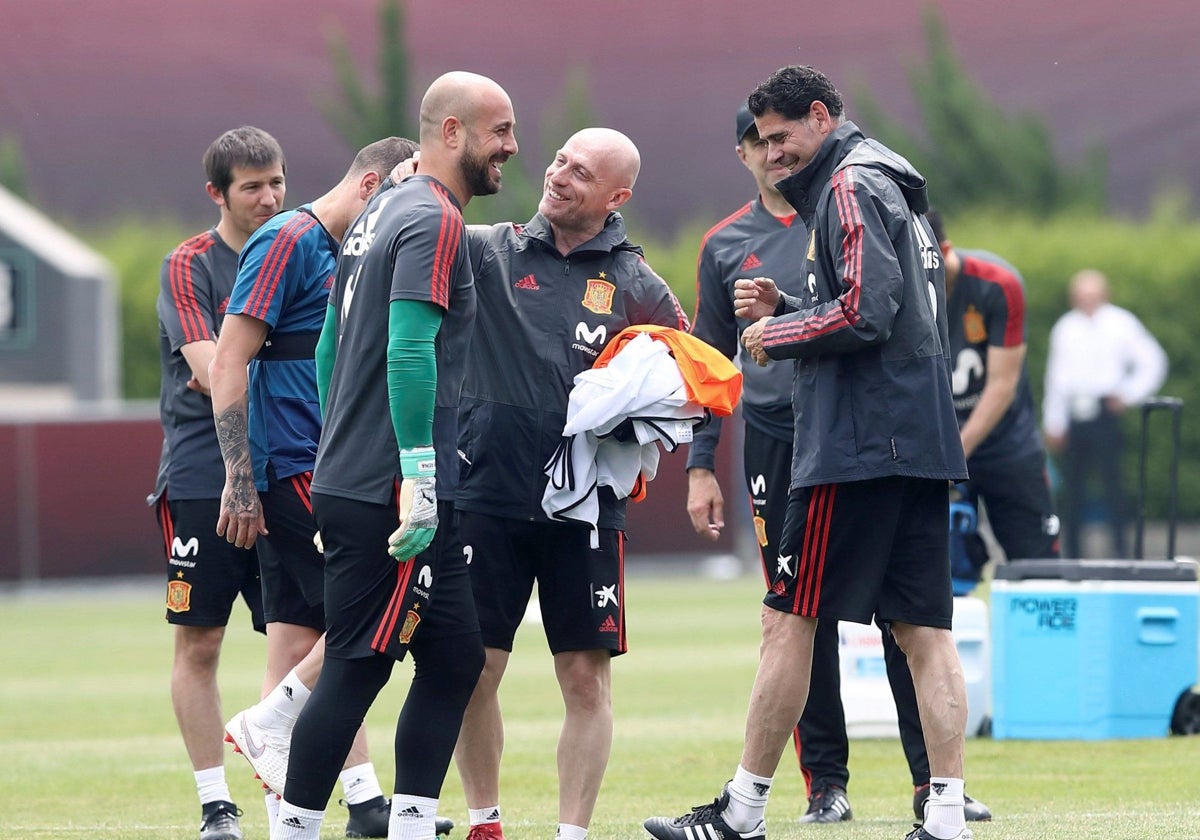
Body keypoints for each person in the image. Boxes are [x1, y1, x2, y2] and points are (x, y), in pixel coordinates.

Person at [644, 65, 972, 840]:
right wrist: (796, 305)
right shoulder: (893, 178)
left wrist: (777, 331)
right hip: (918, 437)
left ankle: (743, 809)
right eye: (762, 141)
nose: (774, 153)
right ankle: (949, 814)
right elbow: (893, 311)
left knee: (788, 619)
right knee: (925, 630)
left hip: (859, 444)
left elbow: (866, 311)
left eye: (782, 136)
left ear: (821, 117)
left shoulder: (850, 187)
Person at [268, 70, 517, 840]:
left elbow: (328, 349)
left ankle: (410, 825)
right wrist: (416, 475)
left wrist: (335, 452)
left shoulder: (381, 211)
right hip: (393, 489)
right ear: (451, 133)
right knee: (356, 665)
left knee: (452, 660)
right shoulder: (432, 218)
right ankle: (295, 828)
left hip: (362, 474)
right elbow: (409, 350)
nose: (512, 146)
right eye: (498, 130)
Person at [451, 127, 689, 840]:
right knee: (474, 668)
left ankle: (571, 834)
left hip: (585, 507)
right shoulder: (487, 249)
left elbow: (689, 376)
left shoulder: (637, 281)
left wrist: (641, 425)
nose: (557, 176)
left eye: (580, 173)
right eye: (558, 161)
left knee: (585, 677)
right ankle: (484, 822)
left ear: (616, 196)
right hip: (484, 493)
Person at [209, 137, 434, 838]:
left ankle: (299, 812)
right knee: (371, 613)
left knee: (300, 629)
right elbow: (228, 360)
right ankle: (277, 728)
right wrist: (240, 479)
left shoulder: (350, 248)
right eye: (401, 195)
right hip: (300, 468)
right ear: (373, 184)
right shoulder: (288, 239)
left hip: (330, 462)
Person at [150, 125, 285, 840]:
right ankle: (215, 806)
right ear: (218, 195)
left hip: (290, 470)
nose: (269, 198)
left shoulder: (299, 249)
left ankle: (358, 798)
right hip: (207, 477)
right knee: (200, 644)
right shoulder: (191, 264)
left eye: (277, 182)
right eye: (251, 187)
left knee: (303, 638)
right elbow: (211, 370)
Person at [1042, 268, 1167, 559]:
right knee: (1072, 490)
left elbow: (1152, 361)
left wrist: (1129, 394)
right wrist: (1054, 421)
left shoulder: (1121, 323)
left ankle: (1121, 553)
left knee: (1113, 485)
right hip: (1075, 414)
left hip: (1104, 412)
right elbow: (1056, 379)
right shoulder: (1065, 327)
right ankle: (1072, 555)